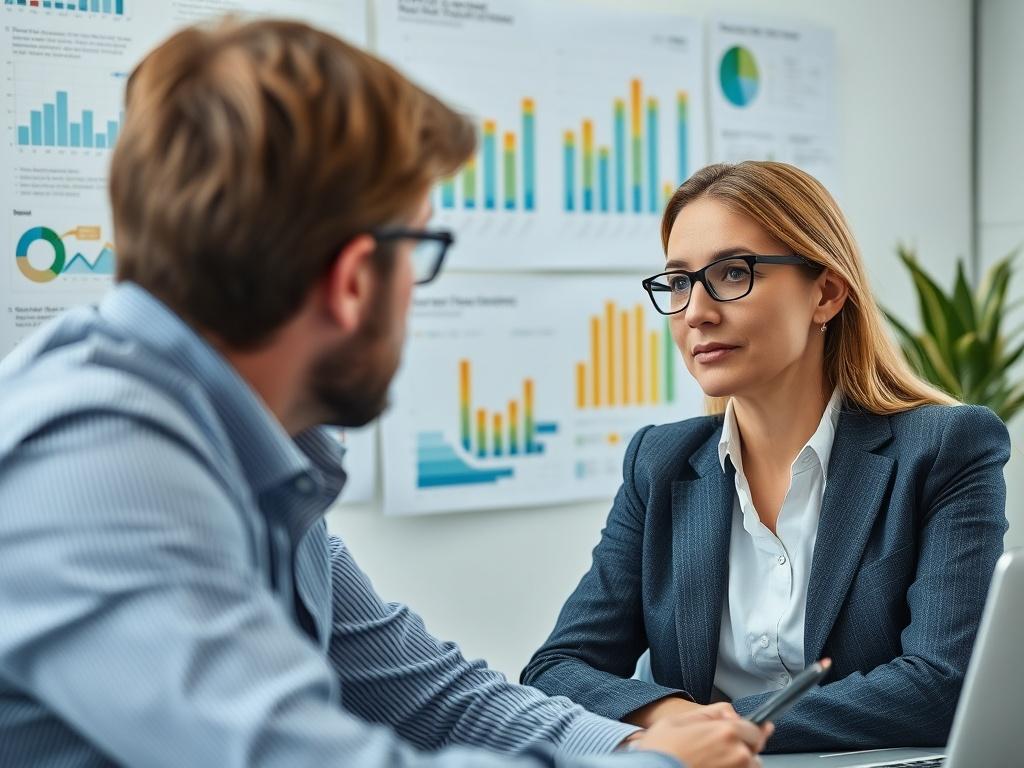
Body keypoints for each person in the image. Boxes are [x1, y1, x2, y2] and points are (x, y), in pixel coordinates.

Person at [0, 18, 773, 768]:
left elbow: (425, 695)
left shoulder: (252, 455)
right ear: (352, 280)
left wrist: (632, 744)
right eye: (422, 249)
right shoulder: (95, 459)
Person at [521, 161, 1010, 753]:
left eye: (732, 273)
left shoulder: (942, 449)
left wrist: (718, 727)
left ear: (825, 294)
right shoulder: (661, 461)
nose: (697, 310)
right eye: (678, 282)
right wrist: (667, 714)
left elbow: (938, 687)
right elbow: (558, 668)